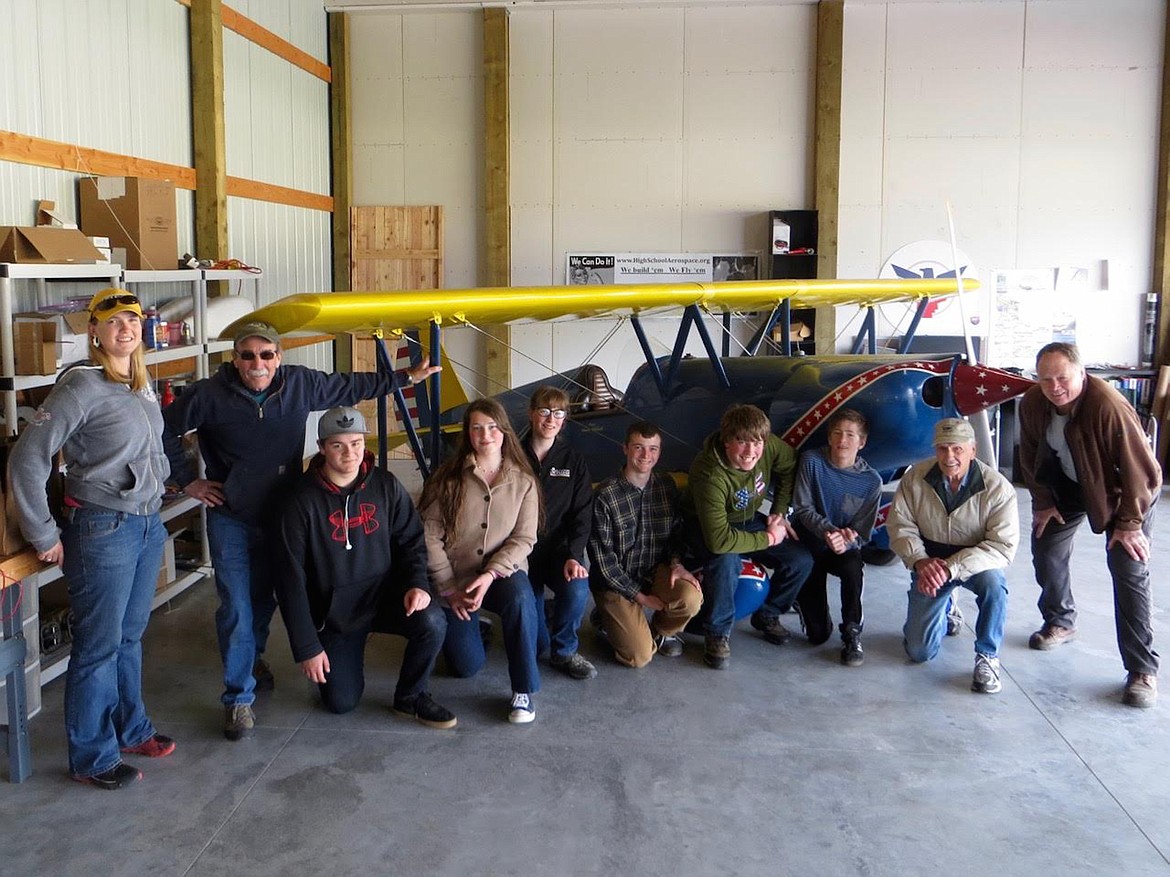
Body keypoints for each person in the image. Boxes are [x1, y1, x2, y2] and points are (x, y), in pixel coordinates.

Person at [162, 320, 439, 741]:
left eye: (267, 354)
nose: (258, 363)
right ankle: (238, 698)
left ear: (279, 356)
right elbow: (163, 430)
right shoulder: (207, 395)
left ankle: (252, 659)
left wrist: (404, 377)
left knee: (269, 596)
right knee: (236, 603)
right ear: (235, 358)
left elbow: (351, 385)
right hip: (232, 514)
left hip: (285, 515)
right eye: (248, 355)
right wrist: (187, 481)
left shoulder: (300, 385)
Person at [10, 288, 176, 790]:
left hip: (146, 524)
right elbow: (27, 459)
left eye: (133, 320)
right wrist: (42, 532)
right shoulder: (81, 387)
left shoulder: (140, 386)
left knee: (128, 637)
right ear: (94, 332)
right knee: (99, 646)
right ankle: (92, 757)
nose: (126, 328)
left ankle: (131, 728)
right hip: (103, 527)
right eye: (114, 322)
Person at [273, 407, 454, 727]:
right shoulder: (300, 501)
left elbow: (411, 540)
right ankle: (339, 664)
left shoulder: (385, 485)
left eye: (356, 443)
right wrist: (307, 647)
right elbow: (289, 578)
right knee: (341, 703)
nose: (350, 453)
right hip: (336, 615)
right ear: (322, 447)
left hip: (385, 597)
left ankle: (410, 696)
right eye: (338, 445)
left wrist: (417, 584)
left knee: (433, 621)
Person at [1019, 342, 1161, 708]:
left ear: (1081, 373)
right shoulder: (1034, 403)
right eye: (1045, 379)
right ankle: (1061, 621)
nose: (1055, 387)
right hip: (1068, 484)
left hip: (1121, 492)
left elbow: (1143, 473)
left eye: (1062, 378)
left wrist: (1129, 523)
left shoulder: (1107, 406)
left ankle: (1142, 670)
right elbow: (1030, 455)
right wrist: (1044, 502)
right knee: (1046, 547)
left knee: (1127, 567)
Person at [418, 398, 542, 723]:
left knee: (520, 598)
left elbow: (524, 539)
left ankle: (523, 692)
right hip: (456, 579)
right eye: (477, 428)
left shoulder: (524, 482)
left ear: (504, 431)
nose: (485, 435)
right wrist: (447, 587)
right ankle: (480, 627)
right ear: (468, 434)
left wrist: (490, 575)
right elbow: (430, 535)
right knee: (465, 667)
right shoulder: (447, 479)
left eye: (492, 427)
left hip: (502, 575)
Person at [886, 418, 1018, 695]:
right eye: (943, 449)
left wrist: (951, 569)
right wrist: (920, 562)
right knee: (918, 652)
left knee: (995, 586)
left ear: (973, 449)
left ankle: (987, 656)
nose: (950, 457)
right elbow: (900, 526)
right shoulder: (914, 478)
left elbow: (1002, 546)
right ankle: (947, 606)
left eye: (957, 449)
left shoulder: (998, 488)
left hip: (976, 561)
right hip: (930, 561)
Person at [681, 403, 814, 670]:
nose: (751, 451)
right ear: (726, 440)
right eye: (742, 442)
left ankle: (768, 614)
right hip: (706, 526)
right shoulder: (710, 474)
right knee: (726, 561)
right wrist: (769, 539)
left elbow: (791, 467)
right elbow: (719, 539)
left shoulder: (767, 444)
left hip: (749, 520)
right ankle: (717, 633)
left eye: (757, 443)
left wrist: (779, 513)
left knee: (801, 560)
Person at [589, 421, 703, 667]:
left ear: (659, 452)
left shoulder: (666, 486)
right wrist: (641, 598)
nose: (645, 455)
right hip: (615, 583)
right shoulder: (605, 495)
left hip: (652, 571)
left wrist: (676, 565)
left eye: (652, 449)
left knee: (690, 598)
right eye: (638, 447)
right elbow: (604, 562)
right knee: (639, 657)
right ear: (625, 449)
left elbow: (675, 533)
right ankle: (608, 619)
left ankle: (660, 632)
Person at [790, 408, 882, 667]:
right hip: (811, 542)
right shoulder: (811, 461)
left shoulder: (871, 481)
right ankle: (802, 602)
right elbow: (803, 508)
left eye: (851, 435)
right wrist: (829, 532)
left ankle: (852, 631)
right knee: (818, 636)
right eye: (837, 433)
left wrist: (848, 539)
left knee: (854, 567)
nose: (843, 440)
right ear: (829, 437)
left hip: (842, 547)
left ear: (861, 442)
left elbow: (862, 532)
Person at [521, 386, 596, 680]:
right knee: (538, 646)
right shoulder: (512, 454)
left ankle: (565, 650)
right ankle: (540, 623)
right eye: (544, 411)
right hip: (521, 552)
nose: (551, 419)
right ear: (531, 414)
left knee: (578, 586)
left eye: (559, 413)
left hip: (558, 551)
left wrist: (575, 556)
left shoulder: (573, 461)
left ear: (564, 420)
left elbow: (582, 514)